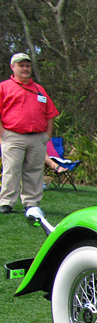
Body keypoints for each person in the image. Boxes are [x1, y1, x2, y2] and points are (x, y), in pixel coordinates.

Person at [0, 52, 60, 214]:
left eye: (27, 65)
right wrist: (2, 133)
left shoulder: (39, 89)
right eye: (21, 65)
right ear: (13, 67)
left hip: (37, 138)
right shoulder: (4, 87)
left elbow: (50, 114)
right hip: (13, 136)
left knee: (34, 171)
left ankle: (31, 202)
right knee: (11, 170)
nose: (25, 69)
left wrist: (47, 134)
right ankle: (6, 202)